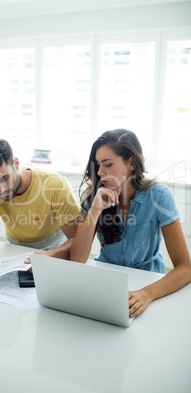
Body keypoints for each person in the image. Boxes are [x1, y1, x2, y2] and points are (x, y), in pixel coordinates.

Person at [70, 128, 191, 318]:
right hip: (106, 282)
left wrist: (147, 293)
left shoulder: (158, 196)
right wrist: (94, 210)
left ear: (131, 162)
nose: (100, 172)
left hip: (149, 283)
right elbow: (77, 259)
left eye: (108, 164)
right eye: (98, 165)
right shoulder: (94, 196)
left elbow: (186, 268)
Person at [0, 139, 80, 258]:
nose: (1, 190)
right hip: (16, 254)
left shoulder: (55, 185)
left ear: (16, 164)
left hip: (55, 252)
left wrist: (44, 257)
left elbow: (77, 239)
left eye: (5, 178)